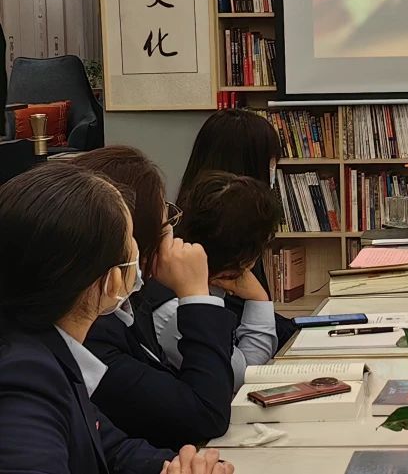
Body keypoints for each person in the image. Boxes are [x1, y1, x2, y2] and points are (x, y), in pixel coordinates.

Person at [0, 162, 232, 474]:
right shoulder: (26, 374)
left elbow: (111, 449)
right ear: (113, 280)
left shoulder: (50, 349)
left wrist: (171, 469)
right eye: (130, 244)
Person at [75, 147, 237, 449]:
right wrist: (196, 295)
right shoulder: (88, 334)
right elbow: (205, 415)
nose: (172, 237)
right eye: (165, 227)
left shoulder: (126, 305)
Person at [152, 171, 281, 391]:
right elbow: (242, 376)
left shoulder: (204, 281)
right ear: (246, 259)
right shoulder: (175, 310)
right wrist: (258, 298)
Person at [179, 108, 297, 346]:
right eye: (270, 162)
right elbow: (240, 319)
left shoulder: (205, 222)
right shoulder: (219, 236)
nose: (273, 170)